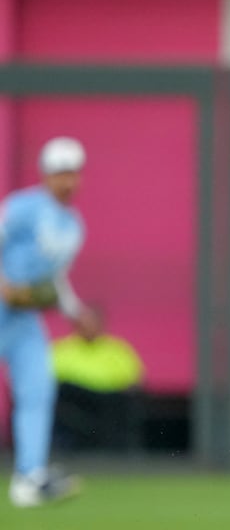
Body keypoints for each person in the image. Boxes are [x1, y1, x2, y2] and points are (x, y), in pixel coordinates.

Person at [1, 136, 96, 507]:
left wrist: (76, 312)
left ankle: (29, 477)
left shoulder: (74, 224)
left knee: (37, 389)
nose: (67, 180)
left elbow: (55, 280)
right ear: (45, 175)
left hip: (23, 320)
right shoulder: (23, 207)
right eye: (59, 172)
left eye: (72, 172)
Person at [51, 309, 145, 452]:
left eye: (92, 323)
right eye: (84, 323)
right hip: (74, 403)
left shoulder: (117, 349)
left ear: (101, 325)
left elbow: (134, 380)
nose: (88, 328)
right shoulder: (62, 349)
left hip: (110, 402)